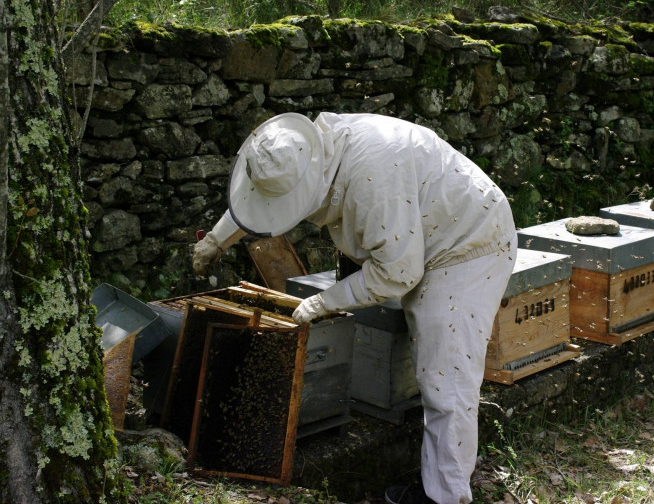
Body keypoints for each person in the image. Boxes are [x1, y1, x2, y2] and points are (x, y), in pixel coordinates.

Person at [192, 112, 517, 504]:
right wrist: (217, 238)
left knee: (445, 377)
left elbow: (399, 272)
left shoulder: (374, 179)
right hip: (421, 229)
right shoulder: (304, 148)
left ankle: (444, 497)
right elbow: (264, 193)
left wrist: (324, 300)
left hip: (468, 244)